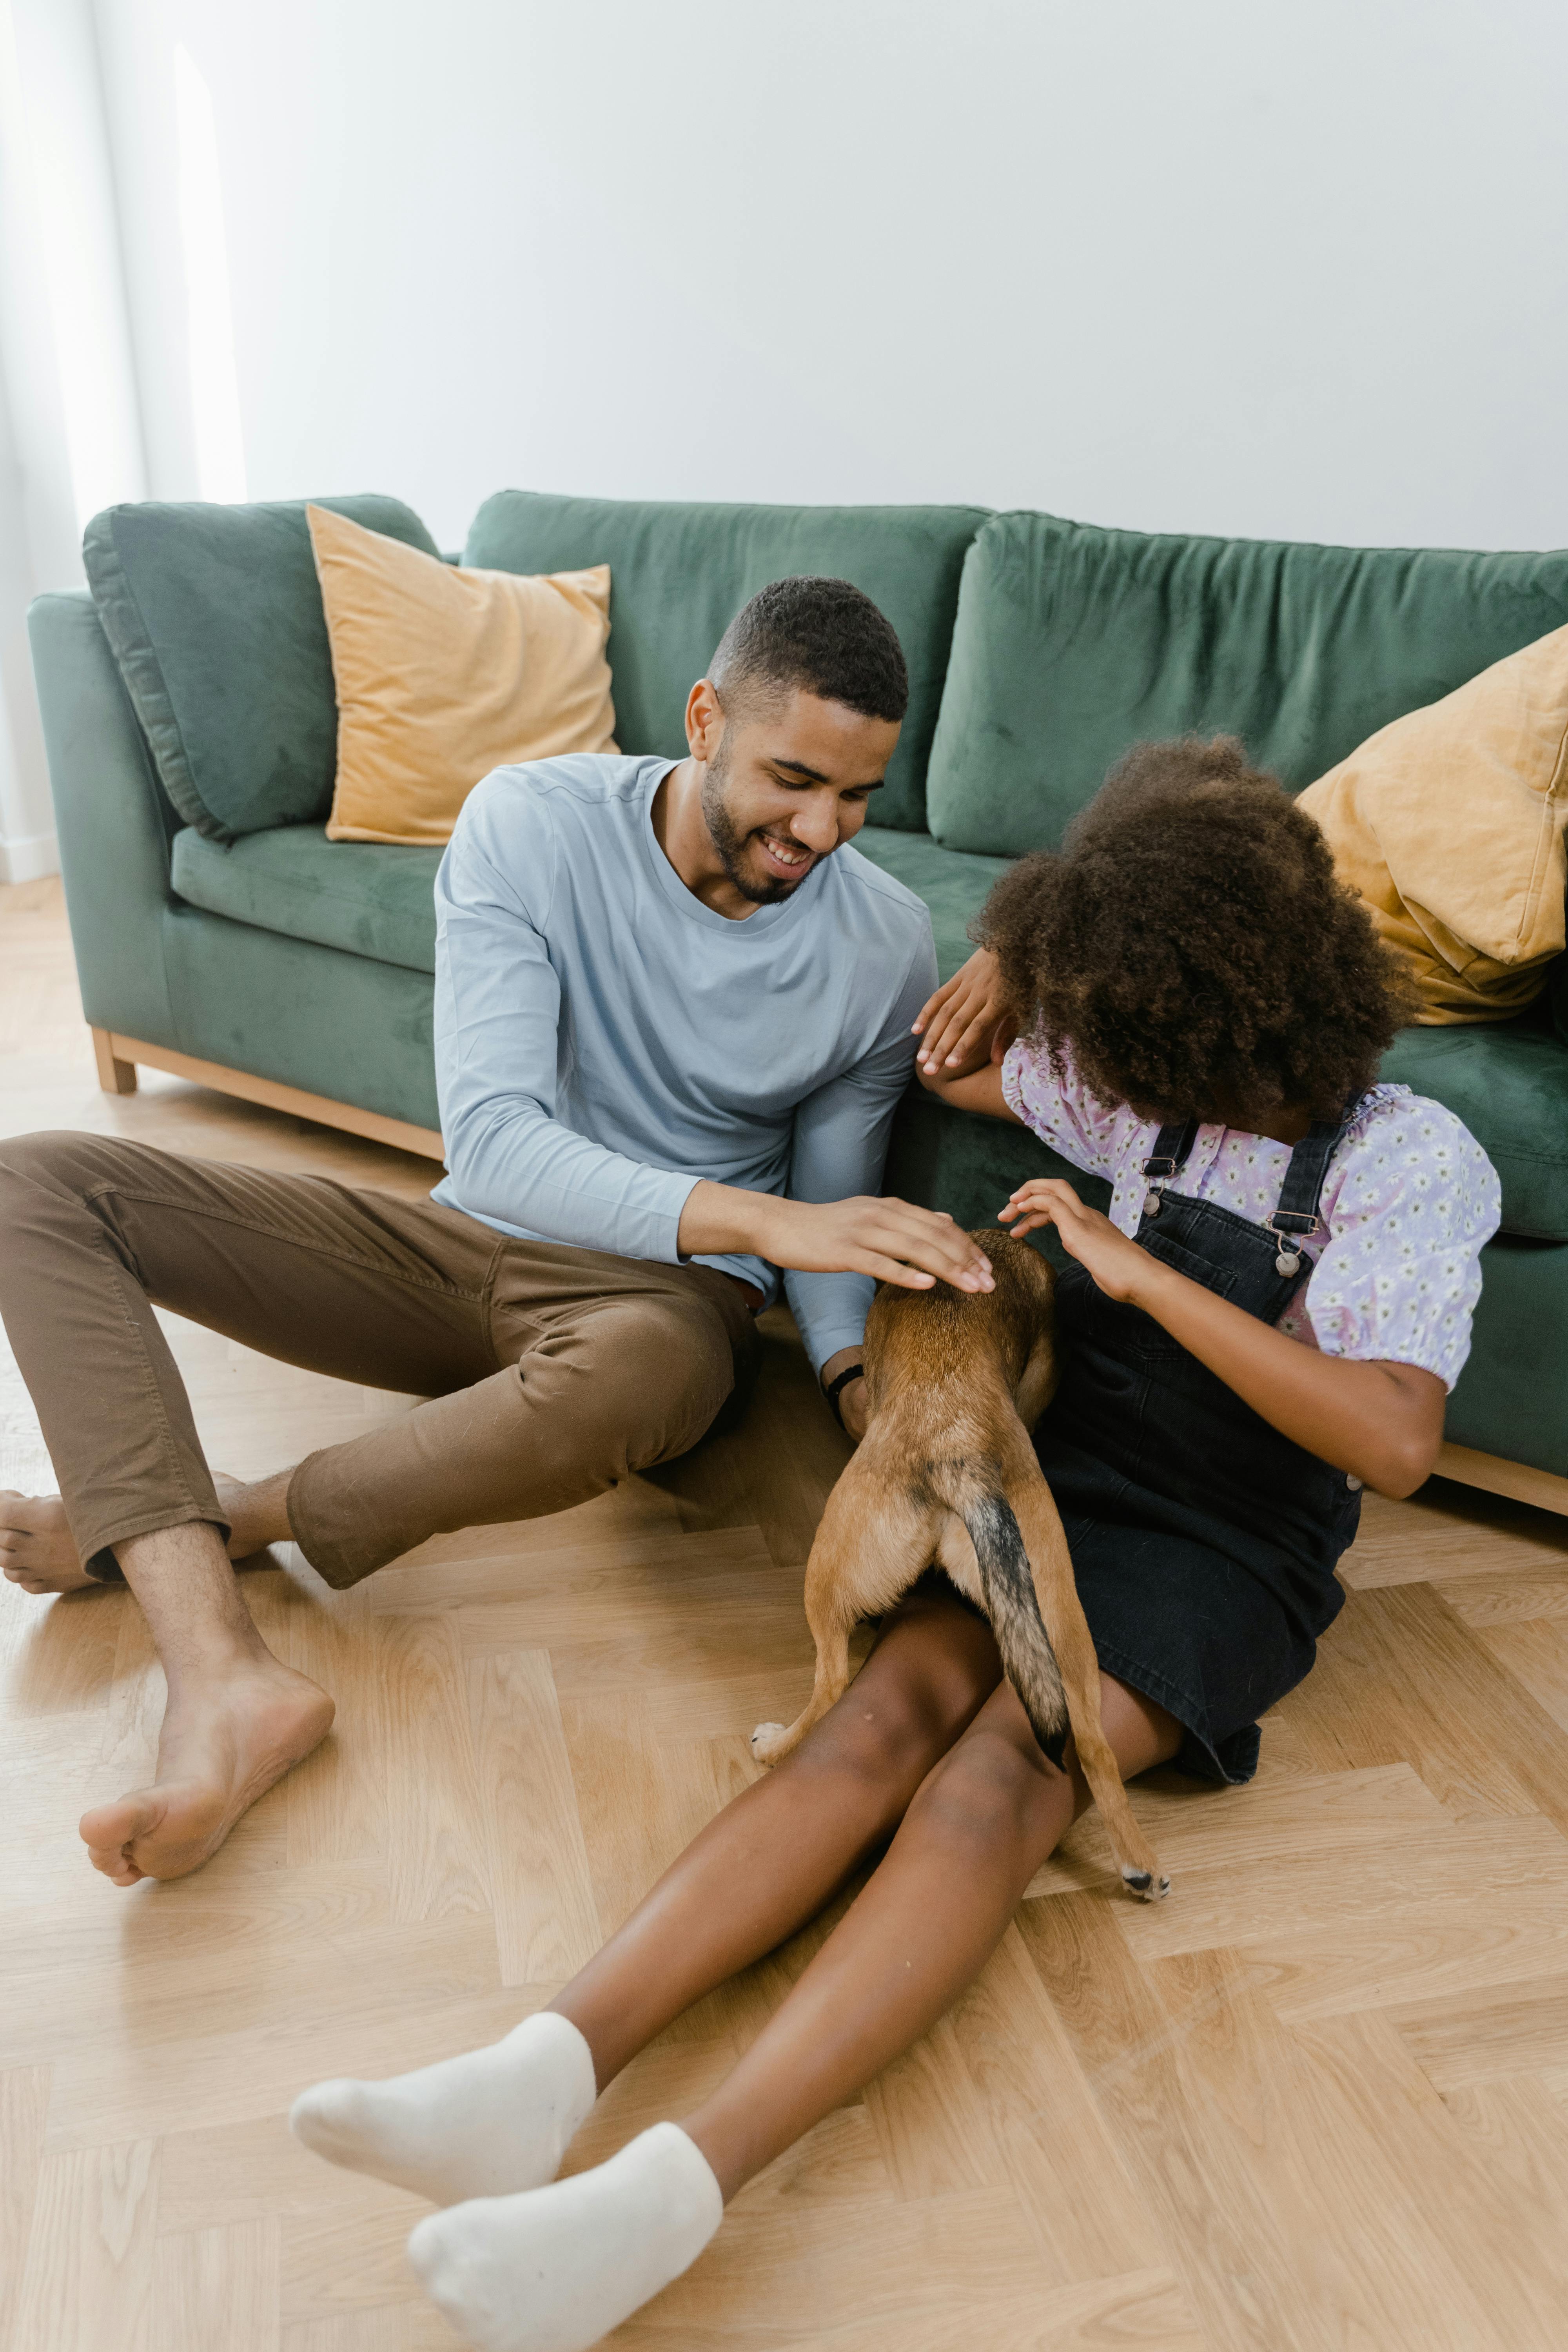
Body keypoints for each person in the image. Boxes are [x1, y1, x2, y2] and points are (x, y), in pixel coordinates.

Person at [287, 735, 1500, 2352]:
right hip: (1068, 1480)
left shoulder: (1407, 1159)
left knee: (1002, 1773)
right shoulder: (1135, 1074)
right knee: (874, 1719)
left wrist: (1134, 1276)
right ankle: (539, 2075)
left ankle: (666, 2198)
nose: (1101, 1088)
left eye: (1127, 1055)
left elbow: (1394, 1441)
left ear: (1236, 1010)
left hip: (1232, 1546)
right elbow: (947, 1063)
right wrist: (1018, 941)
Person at [0, 575, 995, 1887]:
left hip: (662, 1308)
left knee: (651, 1369)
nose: (820, 828)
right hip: (467, 1244)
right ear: (704, 719)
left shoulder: (884, 944)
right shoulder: (531, 823)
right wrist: (787, 1223)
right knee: (38, 1184)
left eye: (859, 795)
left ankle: (219, 1517)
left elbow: (832, 1219)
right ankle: (222, 1671)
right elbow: (497, 1147)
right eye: (793, 777)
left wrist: (848, 1371)